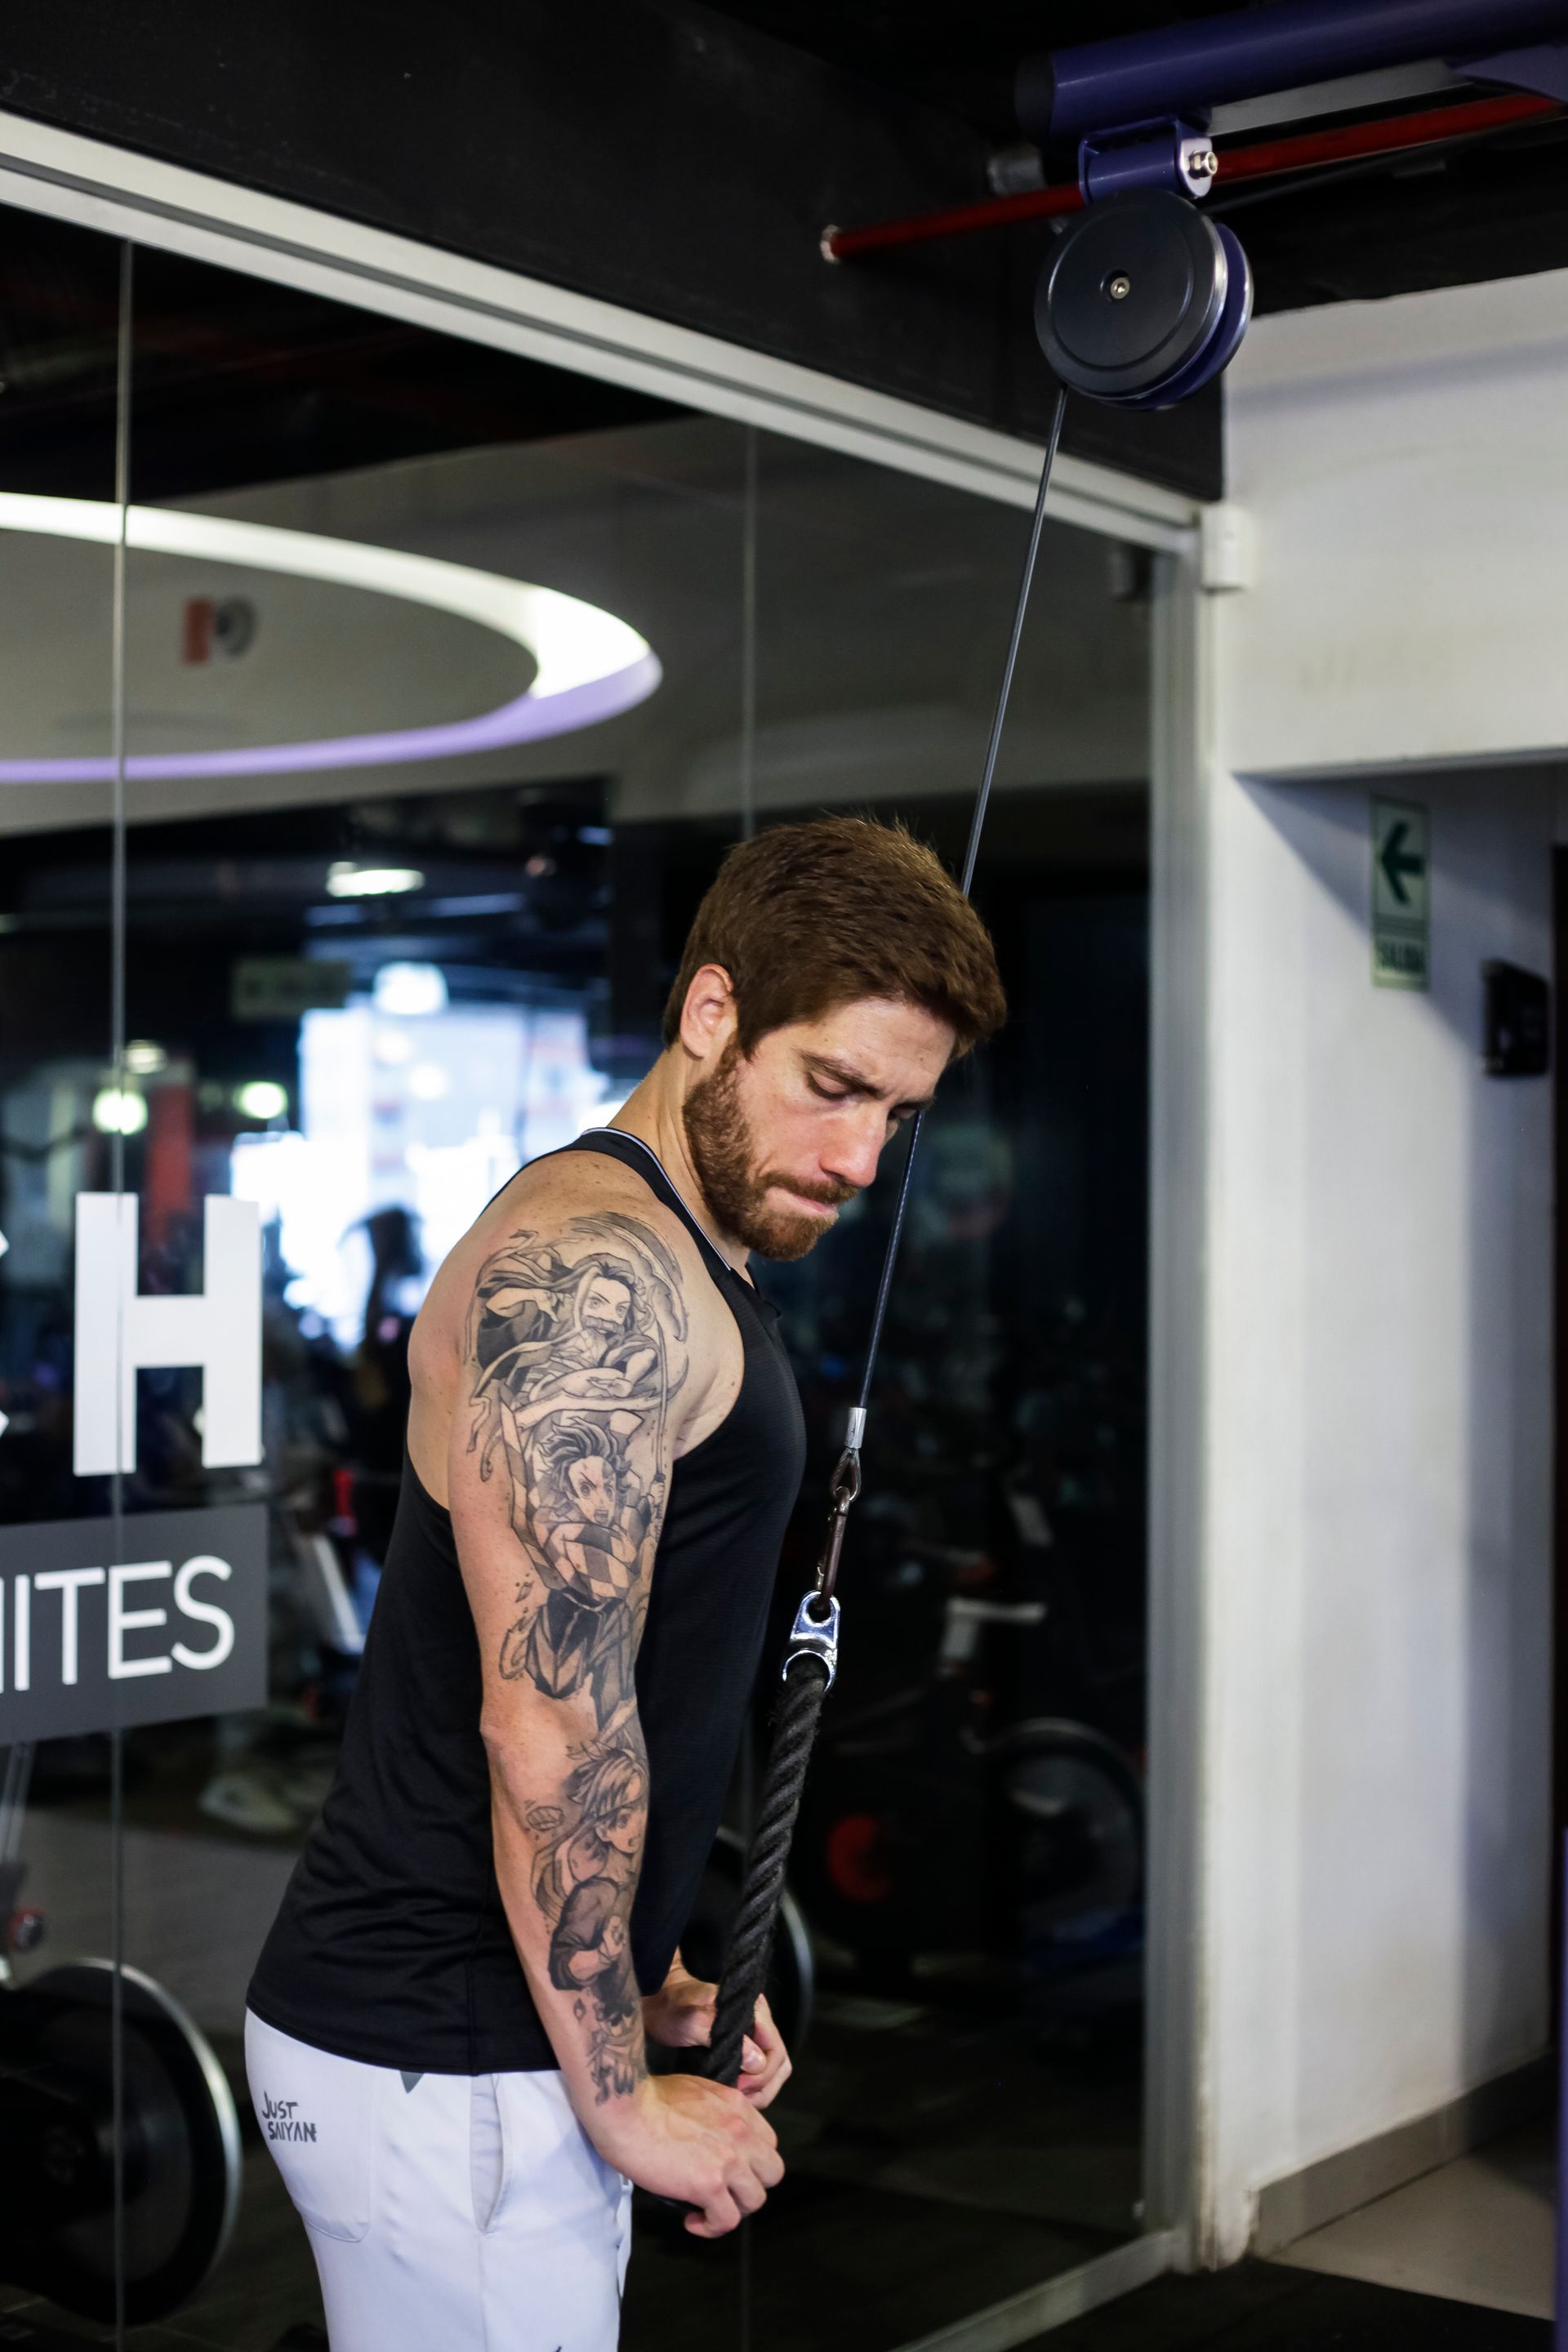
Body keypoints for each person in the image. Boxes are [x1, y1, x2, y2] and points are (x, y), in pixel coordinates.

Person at [244, 815, 1006, 2351]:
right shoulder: (594, 1271)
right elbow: (547, 1729)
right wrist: (622, 2101)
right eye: (833, 1087)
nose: (862, 1156)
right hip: (444, 2047)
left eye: (897, 1114)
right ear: (712, 1014)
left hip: (487, 2040)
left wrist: (650, 1975)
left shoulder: (669, 1252)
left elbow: (634, 1666)